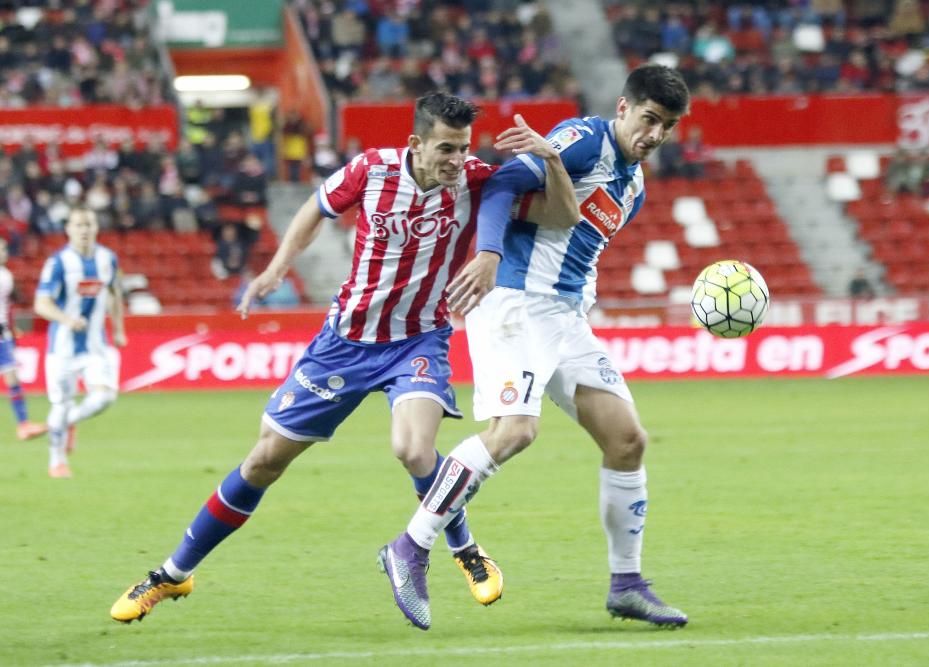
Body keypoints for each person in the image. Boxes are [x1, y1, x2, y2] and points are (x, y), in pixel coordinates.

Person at [108, 92, 578, 623]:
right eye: (446, 148)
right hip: (344, 345)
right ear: (415, 143)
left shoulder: (474, 181)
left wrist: (554, 160)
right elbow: (315, 207)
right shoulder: (370, 170)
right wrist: (279, 266)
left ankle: (464, 549)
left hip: (419, 340)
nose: (456, 159)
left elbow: (563, 215)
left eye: (463, 147)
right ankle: (172, 575)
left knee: (414, 448)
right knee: (263, 461)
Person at [379, 64, 691, 631]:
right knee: (515, 431)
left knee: (627, 440)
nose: (655, 134)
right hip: (515, 302)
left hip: (564, 318)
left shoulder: (634, 183)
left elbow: (575, 240)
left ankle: (627, 584)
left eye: (666, 126)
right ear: (623, 108)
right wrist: (491, 252)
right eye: (649, 118)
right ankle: (410, 546)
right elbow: (501, 185)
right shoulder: (584, 140)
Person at [33, 207, 127, 478]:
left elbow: (114, 295)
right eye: (78, 225)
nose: (84, 230)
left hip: (96, 345)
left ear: (96, 227)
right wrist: (66, 319)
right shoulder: (58, 263)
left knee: (105, 397)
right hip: (61, 349)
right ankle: (57, 462)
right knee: (60, 404)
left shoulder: (108, 259)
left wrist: (119, 329)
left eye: (89, 225)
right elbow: (41, 304)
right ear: (68, 229)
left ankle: (68, 422)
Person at [0, 238, 48, 441]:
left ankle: (23, 424)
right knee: (12, 378)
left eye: (4, 248)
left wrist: (11, 330)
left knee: (13, 378)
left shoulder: (6, 276)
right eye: (0, 249)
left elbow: (8, 307)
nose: (4, 252)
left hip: (2, 333)